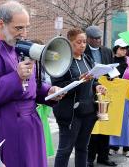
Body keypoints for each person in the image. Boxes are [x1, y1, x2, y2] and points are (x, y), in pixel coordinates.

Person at [0, 0, 62, 167]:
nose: (24, 33)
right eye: (19, 28)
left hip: (30, 129)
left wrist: (49, 92)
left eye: (26, 27)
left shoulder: (19, 46)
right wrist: (16, 77)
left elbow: (31, 87)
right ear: (1, 24)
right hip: (1, 127)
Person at [51, 28, 107, 167]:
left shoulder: (87, 58)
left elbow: (92, 79)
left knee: (83, 148)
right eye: (78, 42)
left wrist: (97, 86)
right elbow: (57, 87)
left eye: (84, 42)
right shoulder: (61, 61)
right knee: (65, 150)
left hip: (88, 112)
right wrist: (78, 79)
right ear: (69, 43)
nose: (82, 45)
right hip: (70, 113)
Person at [84, 25, 116, 167]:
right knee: (92, 127)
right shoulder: (83, 51)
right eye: (95, 39)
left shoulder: (107, 51)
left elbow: (113, 69)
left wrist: (112, 75)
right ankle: (89, 158)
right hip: (89, 92)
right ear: (88, 39)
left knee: (105, 124)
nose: (98, 41)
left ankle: (104, 156)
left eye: (99, 38)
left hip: (105, 91)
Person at [109, 38, 129, 157]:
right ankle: (113, 147)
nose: (124, 50)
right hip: (113, 95)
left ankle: (127, 148)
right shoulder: (110, 60)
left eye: (126, 48)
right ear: (116, 49)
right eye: (122, 48)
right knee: (114, 121)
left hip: (126, 95)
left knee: (127, 122)